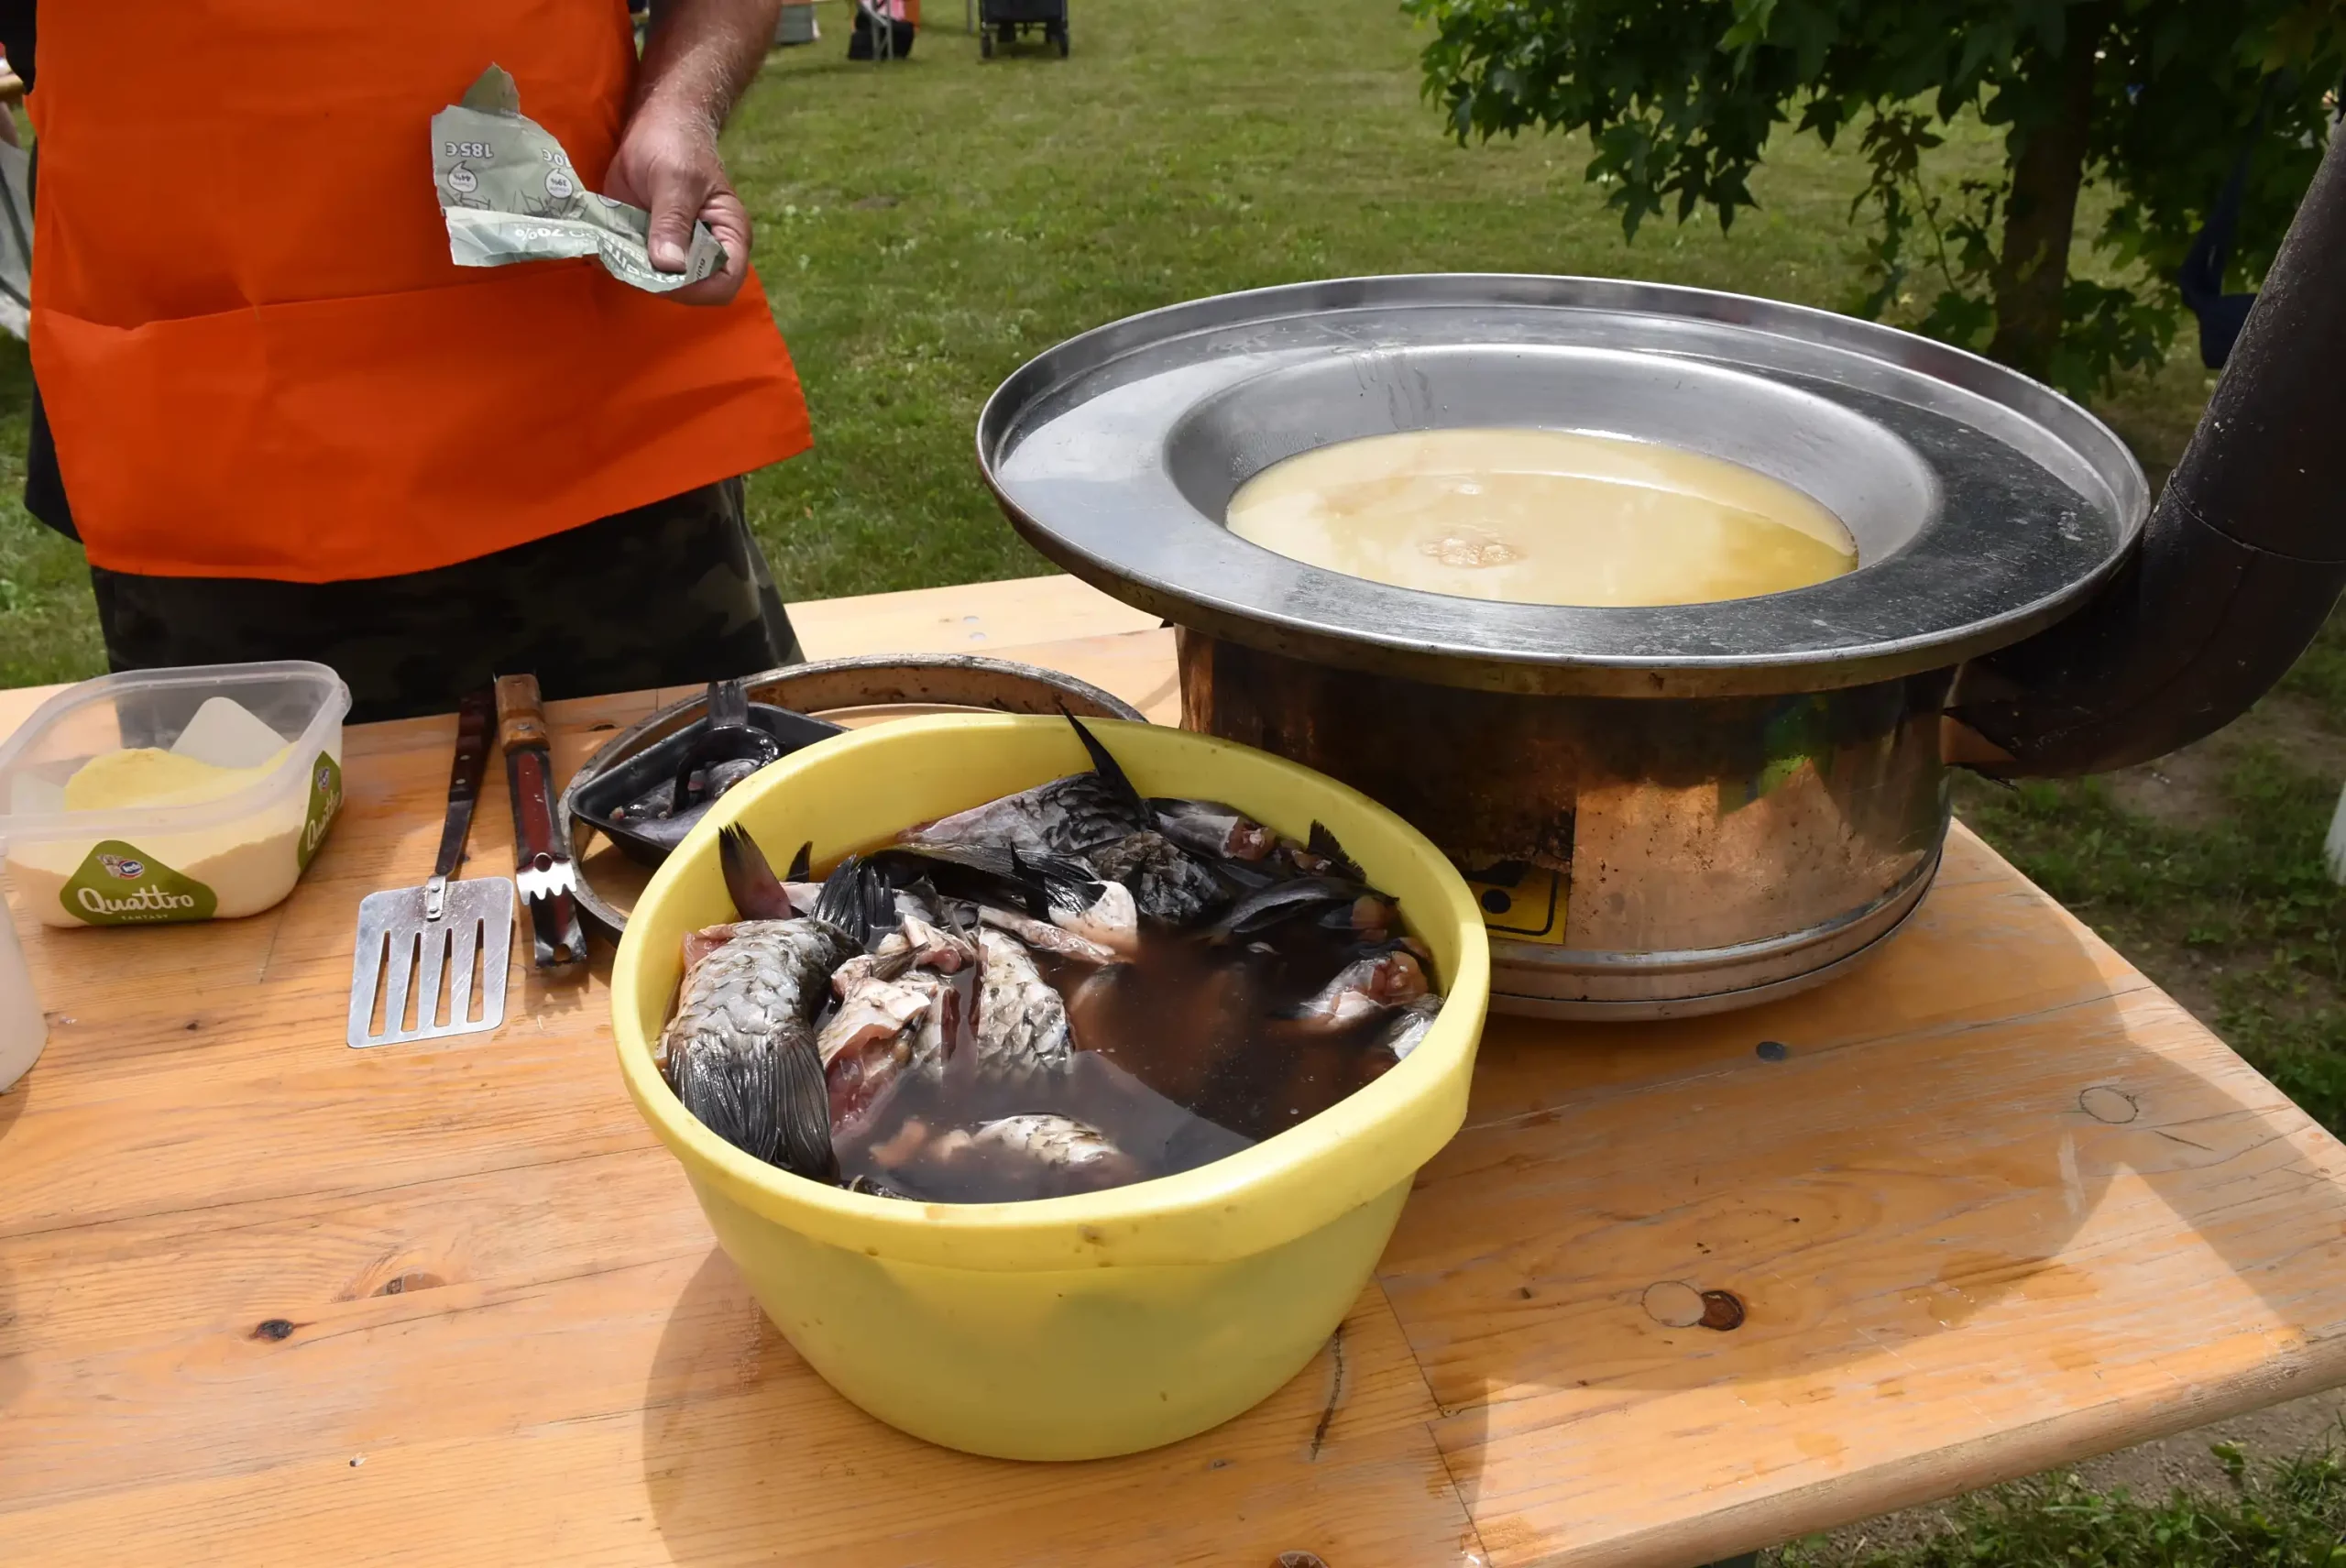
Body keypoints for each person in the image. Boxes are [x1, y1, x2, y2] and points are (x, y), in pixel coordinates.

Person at [17, 0, 812, 722]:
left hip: (591, 432)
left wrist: (678, 105)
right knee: (253, 856)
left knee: (717, 832)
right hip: (212, 480)